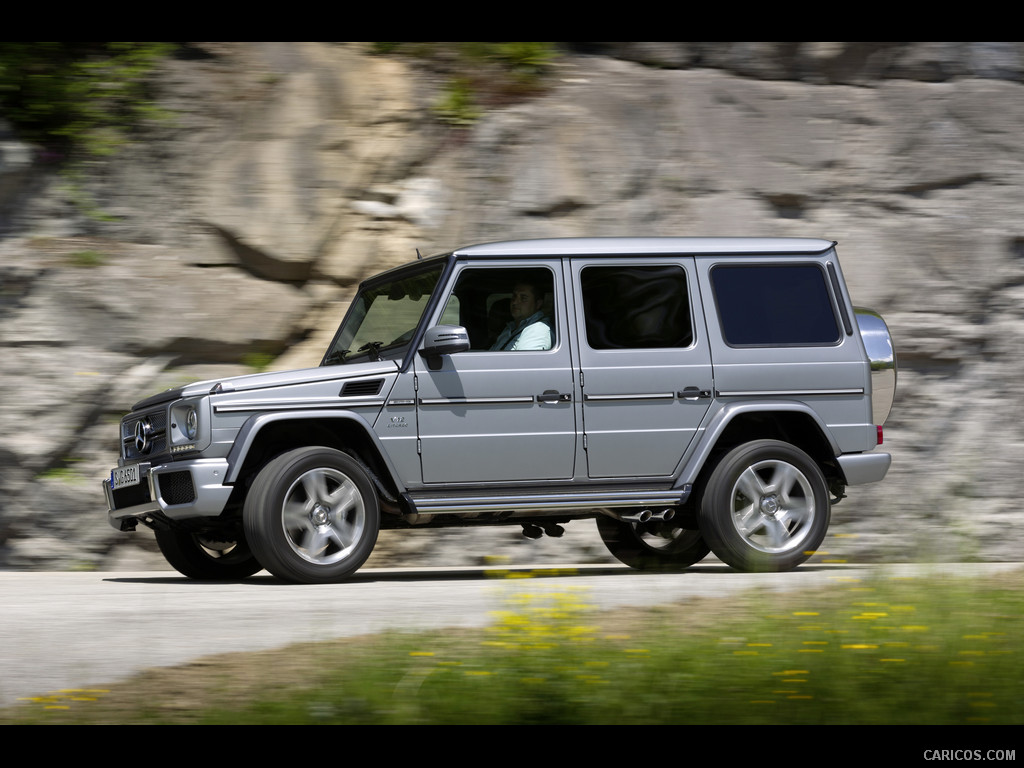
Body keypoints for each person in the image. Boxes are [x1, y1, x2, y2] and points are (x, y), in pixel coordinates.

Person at [490, 280, 553, 351]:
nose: (514, 302)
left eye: (523, 298)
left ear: (538, 304)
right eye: (514, 296)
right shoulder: (511, 327)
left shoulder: (537, 330)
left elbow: (525, 361)